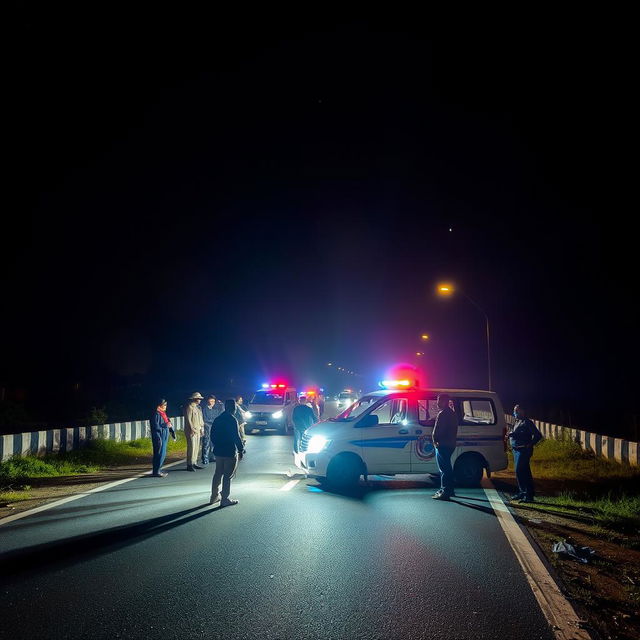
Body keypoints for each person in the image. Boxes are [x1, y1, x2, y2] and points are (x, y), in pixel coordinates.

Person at [210, 398, 245, 507]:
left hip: (219, 451)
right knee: (228, 475)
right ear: (233, 408)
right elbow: (236, 436)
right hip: (229, 451)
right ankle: (225, 499)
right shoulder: (232, 420)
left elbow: (212, 435)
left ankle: (214, 496)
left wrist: (217, 445)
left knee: (218, 473)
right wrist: (240, 449)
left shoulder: (218, 419)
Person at [508, 404, 543, 503]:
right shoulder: (517, 422)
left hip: (524, 450)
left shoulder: (527, 422)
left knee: (522, 471)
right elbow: (520, 434)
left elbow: (538, 435)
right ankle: (522, 492)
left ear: (522, 411)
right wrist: (511, 434)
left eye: (516, 411)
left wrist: (530, 444)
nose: (514, 412)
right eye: (514, 410)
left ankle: (529, 495)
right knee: (519, 472)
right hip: (516, 450)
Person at [431, 393, 459, 500]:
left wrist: (436, 440)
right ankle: (449, 489)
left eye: (439, 400)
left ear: (444, 401)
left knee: (444, 468)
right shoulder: (451, 413)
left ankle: (445, 491)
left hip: (443, 444)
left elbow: (441, 430)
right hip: (449, 444)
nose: (437, 403)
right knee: (447, 467)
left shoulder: (443, 414)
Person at [150, 398, 173, 477]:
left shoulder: (162, 413)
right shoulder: (156, 414)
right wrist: (165, 425)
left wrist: (168, 424)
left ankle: (158, 469)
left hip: (164, 434)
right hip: (159, 436)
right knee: (159, 453)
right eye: (164, 405)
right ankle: (156, 471)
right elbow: (156, 426)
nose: (166, 406)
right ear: (160, 405)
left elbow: (166, 422)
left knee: (162, 453)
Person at [184, 392, 205, 471]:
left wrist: (201, 429)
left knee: (196, 447)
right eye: (198, 398)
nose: (200, 400)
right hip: (191, 430)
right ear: (194, 399)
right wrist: (192, 429)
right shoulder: (190, 407)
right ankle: (189, 464)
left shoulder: (198, 408)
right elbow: (188, 419)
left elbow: (201, 419)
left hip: (198, 430)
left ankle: (194, 462)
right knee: (191, 447)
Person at [201, 394, 223, 465]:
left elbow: (221, 413)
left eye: (213, 401)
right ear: (207, 401)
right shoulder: (205, 409)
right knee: (206, 442)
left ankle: (212, 457)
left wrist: (221, 404)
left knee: (213, 443)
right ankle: (205, 458)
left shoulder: (216, 408)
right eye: (210, 401)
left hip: (214, 427)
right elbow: (205, 419)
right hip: (207, 427)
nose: (212, 402)